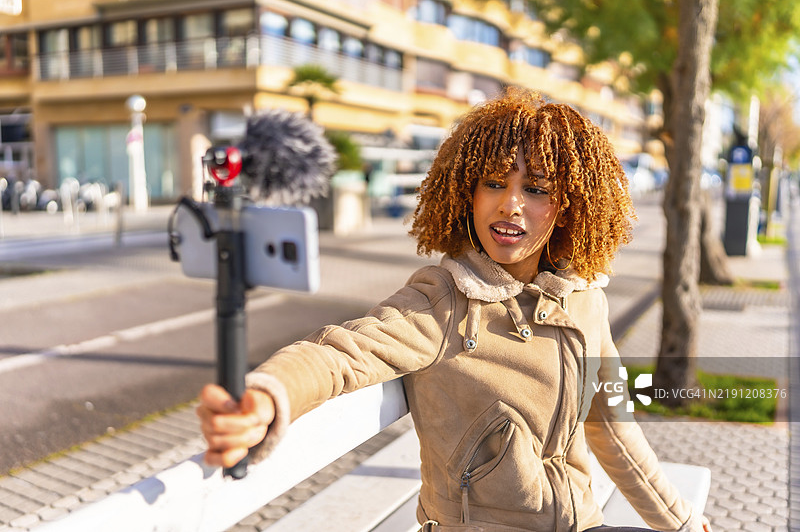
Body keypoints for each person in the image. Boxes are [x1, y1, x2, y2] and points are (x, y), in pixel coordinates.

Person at [197, 87, 712, 532]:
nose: (510, 204)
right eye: (494, 182)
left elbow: (614, 425)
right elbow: (340, 353)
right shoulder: (444, 301)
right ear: (467, 191)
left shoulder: (585, 302)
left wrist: (682, 520)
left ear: (568, 207)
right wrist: (267, 396)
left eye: (535, 189)